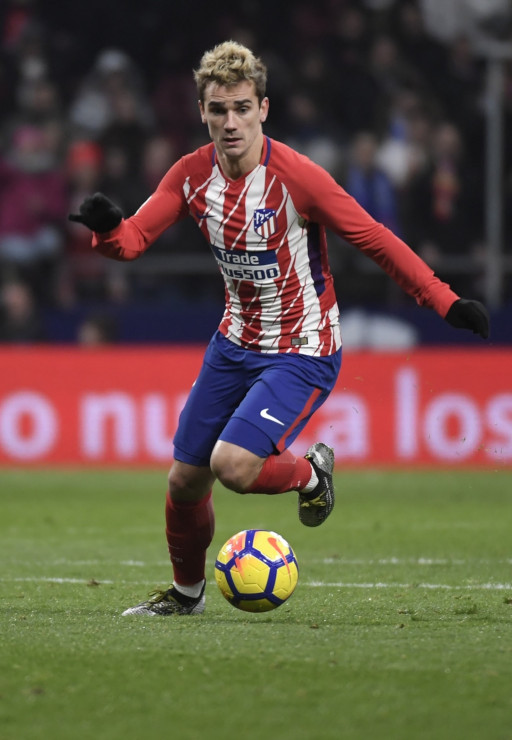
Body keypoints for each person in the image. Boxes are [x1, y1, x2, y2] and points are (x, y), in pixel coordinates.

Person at [69, 41, 490, 617]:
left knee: (232, 466)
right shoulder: (190, 176)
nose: (231, 122)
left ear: (263, 109)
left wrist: (443, 300)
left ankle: (312, 474)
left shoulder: (297, 177)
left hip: (302, 348)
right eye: (219, 109)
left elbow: (373, 237)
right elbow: (134, 240)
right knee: (184, 481)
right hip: (234, 343)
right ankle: (186, 596)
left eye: (242, 108)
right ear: (202, 112)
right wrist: (107, 229)